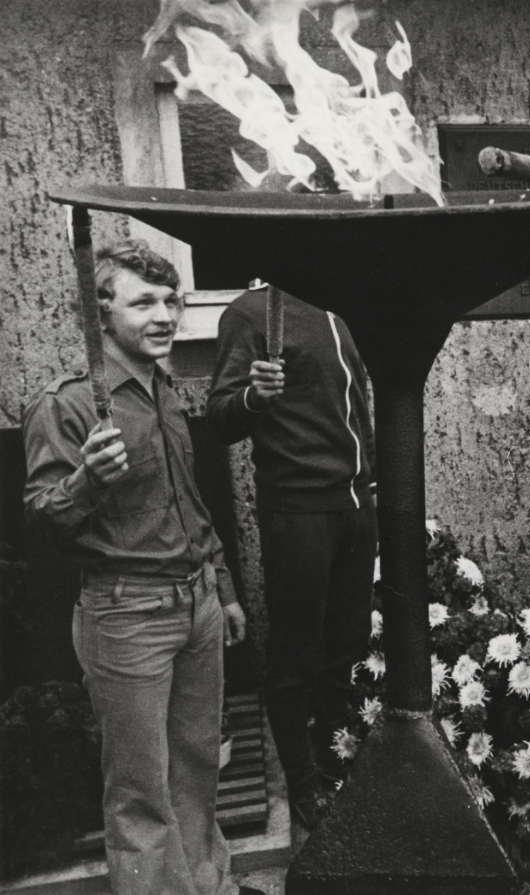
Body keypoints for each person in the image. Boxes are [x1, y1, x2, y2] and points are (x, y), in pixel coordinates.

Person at [22, 240, 261, 895]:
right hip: (126, 616)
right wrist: (88, 479)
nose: (165, 315)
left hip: (198, 606)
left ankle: (209, 888)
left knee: (198, 768)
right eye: (144, 301)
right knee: (140, 790)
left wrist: (226, 589)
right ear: (103, 315)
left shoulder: (163, 388)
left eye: (171, 300)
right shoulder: (68, 404)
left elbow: (189, 502)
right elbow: (41, 519)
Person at [207, 286, 378, 825]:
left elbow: (354, 410)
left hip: (355, 506)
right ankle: (303, 789)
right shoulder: (251, 312)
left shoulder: (336, 305)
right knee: (295, 657)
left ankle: (334, 763)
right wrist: (254, 398)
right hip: (299, 510)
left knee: (345, 646)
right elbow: (218, 418)